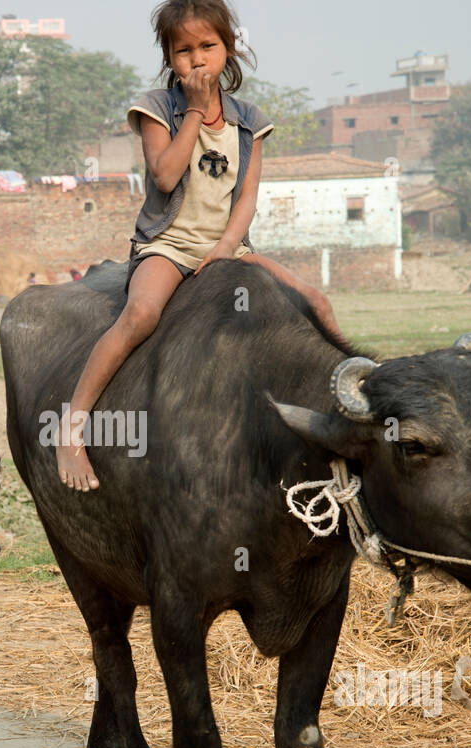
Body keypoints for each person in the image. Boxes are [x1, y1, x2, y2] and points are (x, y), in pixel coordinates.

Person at [55, 0, 345, 491]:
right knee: (142, 314)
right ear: (170, 58)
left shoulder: (248, 120)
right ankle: (72, 428)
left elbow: (247, 197)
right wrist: (191, 110)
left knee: (316, 301)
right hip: (168, 244)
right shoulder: (156, 108)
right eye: (183, 50)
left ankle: (346, 418)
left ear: (229, 49)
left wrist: (228, 247)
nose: (197, 59)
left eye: (208, 46)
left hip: (229, 245)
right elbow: (165, 177)